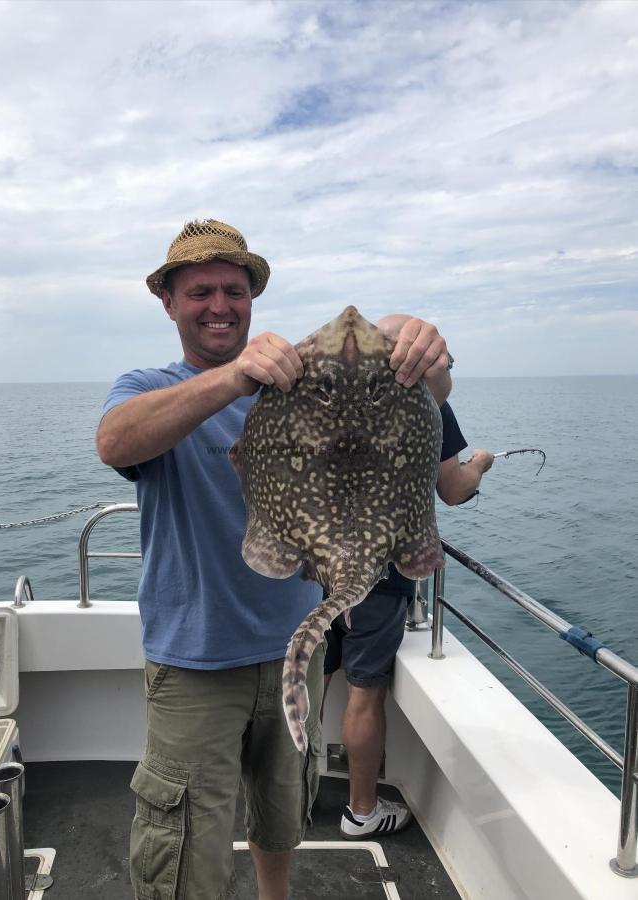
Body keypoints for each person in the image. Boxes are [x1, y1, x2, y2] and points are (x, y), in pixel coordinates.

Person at [96, 219, 453, 900]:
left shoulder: (295, 382)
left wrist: (430, 359)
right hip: (195, 660)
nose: (219, 305)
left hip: (297, 644)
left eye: (234, 289)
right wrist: (233, 378)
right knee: (185, 846)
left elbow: (422, 410)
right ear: (168, 303)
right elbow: (115, 442)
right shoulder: (149, 384)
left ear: (252, 298)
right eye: (200, 291)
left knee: (283, 814)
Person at [324, 313, 494, 840]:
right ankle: (361, 811)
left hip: (317, 567)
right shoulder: (429, 406)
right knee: (364, 692)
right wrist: (482, 463)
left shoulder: (335, 399)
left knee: (309, 680)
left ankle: (290, 792)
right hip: (379, 576)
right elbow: (453, 488)